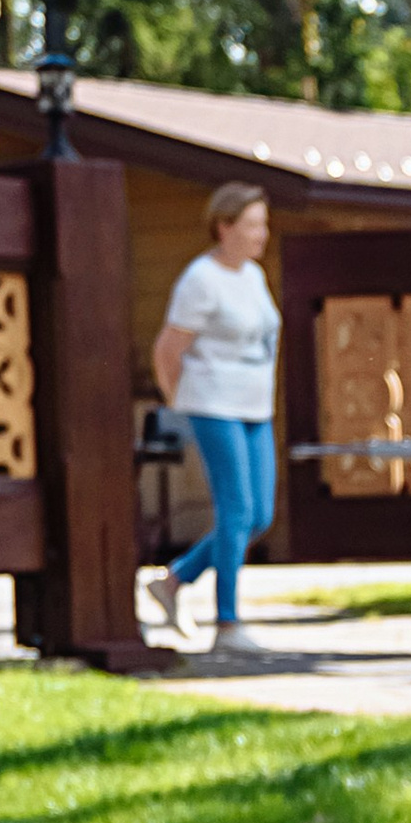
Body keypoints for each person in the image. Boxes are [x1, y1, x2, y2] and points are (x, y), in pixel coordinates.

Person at [147, 183, 282, 653]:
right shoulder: (200, 280)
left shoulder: (254, 276)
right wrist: (180, 399)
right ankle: (227, 625)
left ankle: (175, 580)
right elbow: (167, 350)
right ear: (224, 227)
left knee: (259, 514)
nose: (260, 235)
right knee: (236, 510)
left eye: (263, 225)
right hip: (214, 405)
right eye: (251, 226)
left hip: (254, 406)